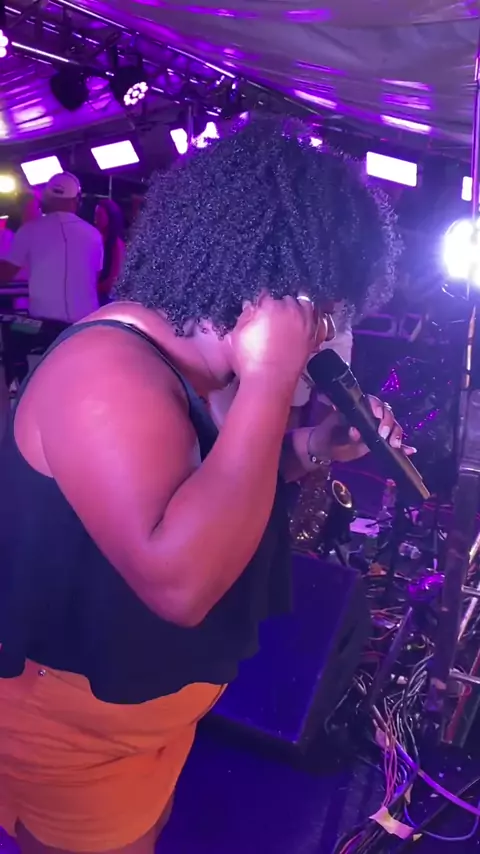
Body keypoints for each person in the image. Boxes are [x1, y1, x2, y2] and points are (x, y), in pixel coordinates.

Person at [0, 116, 404, 854]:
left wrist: (313, 445)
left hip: (145, 711)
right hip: (74, 727)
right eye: (323, 308)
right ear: (277, 285)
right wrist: (271, 378)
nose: (326, 329)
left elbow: (204, 490)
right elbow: (180, 585)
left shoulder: (201, 364)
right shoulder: (109, 373)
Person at [0, 172, 103, 323]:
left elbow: (5, 274)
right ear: (76, 200)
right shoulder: (94, 234)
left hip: (45, 320)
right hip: (87, 320)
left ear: (46, 198)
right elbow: (95, 277)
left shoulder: (29, 230)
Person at [95, 198, 125, 306]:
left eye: (100, 215)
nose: (96, 219)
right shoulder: (95, 238)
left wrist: (95, 287)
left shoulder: (116, 244)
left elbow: (115, 276)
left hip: (106, 296)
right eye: (96, 215)